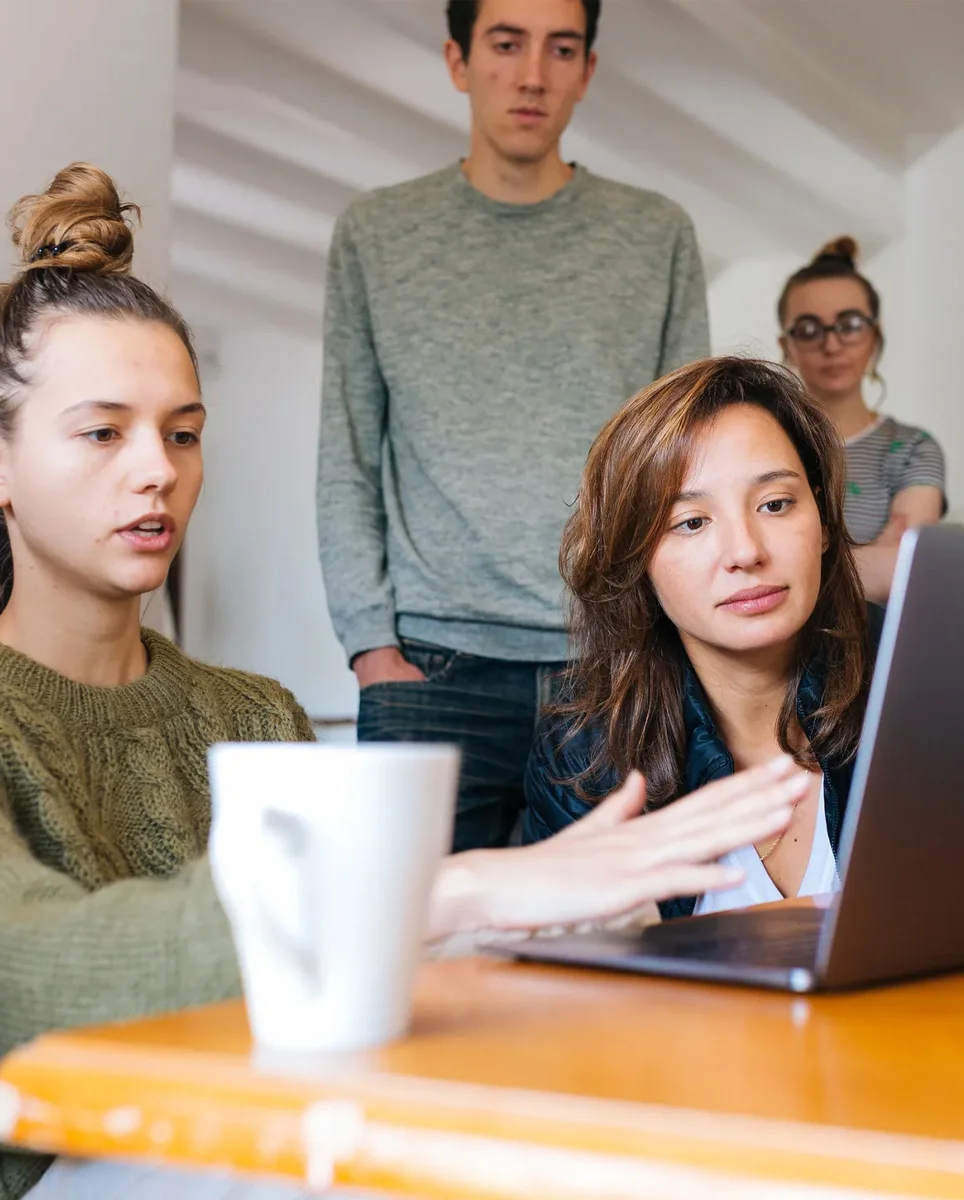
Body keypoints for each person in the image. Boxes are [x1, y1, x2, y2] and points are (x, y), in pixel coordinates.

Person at [0, 166, 795, 1200]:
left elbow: (355, 1004)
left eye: (183, 433)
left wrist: (552, 923)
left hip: (283, 1146)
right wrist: (452, 887)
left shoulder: (252, 716)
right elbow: (31, 978)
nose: (157, 470)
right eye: (103, 432)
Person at [317, 0, 710, 853]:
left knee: (602, 958)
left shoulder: (657, 236)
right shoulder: (376, 235)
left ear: (587, 71)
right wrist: (369, 646)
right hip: (427, 669)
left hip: (611, 663)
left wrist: (671, 638)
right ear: (458, 61)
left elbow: (688, 462)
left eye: (560, 48)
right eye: (506, 44)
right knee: (412, 959)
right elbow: (345, 452)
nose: (533, 74)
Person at [523, 357, 883, 920]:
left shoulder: (919, 684)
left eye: (775, 504)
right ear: (636, 560)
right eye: (691, 522)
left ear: (824, 524)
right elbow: (566, 991)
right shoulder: (585, 754)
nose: (745, 552)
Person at [777, 237, 946, 602]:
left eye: (849, 324)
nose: (832, 345)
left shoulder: (914, 448)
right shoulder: (763, 444)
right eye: (808, 329)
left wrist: (780, 578)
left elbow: (901, 569)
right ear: (786, 346)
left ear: (874, 336)